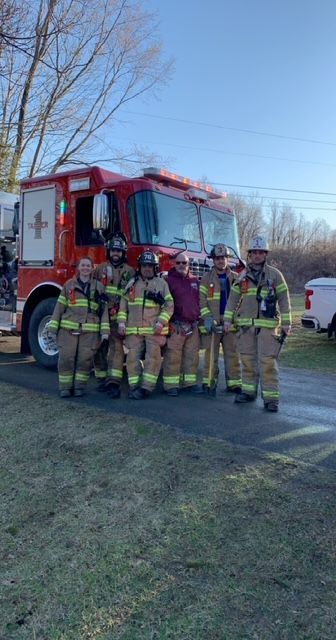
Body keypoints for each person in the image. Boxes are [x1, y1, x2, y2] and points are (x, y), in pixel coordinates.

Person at [223, 235, 291, 412]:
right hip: (246, 328)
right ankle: (248, 392)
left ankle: (270, 399)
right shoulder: (242, 276)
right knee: (247, 361)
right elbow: (232, 299)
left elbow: (284, 299)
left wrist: (286, 322)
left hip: (267, 328)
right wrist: (227, 320)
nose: (258, 255)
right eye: (254, 252)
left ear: (265, 254)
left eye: (261, 252)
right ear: (250, 254)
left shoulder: (275, 275)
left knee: (268, 363)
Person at [48, 257, 110, 398]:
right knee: (66, 358)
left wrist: (105, 332)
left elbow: (104, 311)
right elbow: (59, 307)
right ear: (79, 267)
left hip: (90, 331)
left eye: (88, 265)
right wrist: (52, 328)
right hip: (67, 330)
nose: (85, 268)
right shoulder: (69, 285)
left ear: (92, 268)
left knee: (85, 360)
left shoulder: (99, 287)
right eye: (83, 265)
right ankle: (65, 387)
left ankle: (79, 388)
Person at [117, 250, 174, 399]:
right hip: (134, 331)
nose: (147, 268)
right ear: (139, 267)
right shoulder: (132, 284)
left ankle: (146, 388)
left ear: (155, 268)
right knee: (131, 359)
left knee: (152, 359)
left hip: (153, 331)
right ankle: (134, 386)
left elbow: (169, 305)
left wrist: (161, 322)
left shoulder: (161, 284)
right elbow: (123, 305)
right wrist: (121, 323)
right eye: (144, 266)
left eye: (150, 266)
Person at [94, 234, 135, 398]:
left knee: (116, 349)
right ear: (109, 252)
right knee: (98, 348)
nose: (115, 253)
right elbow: (92, 289)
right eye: (113, 250)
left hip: (119, 316)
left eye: (119, 250)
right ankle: (101, 380)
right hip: (101, 315)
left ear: (123, 252)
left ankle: (113, 382)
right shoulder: (100, 269)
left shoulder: (130, 271)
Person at [199, 243, 242, 393]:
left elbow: (241, 301)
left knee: (233, 354)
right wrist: (208, 318)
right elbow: (202, 301)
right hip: (213, 323)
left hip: (231, 323)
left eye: (223, 258)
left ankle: (234, 384)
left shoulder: (237, 278)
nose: (220, 261)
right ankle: (209, 383)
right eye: (217, 258)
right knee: (211, 355)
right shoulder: (206, 278)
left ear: (227, 259)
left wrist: (234, 319)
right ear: (213, 260)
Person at [162, 252, 203, 396]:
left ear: (188, 264)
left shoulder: (195, 281)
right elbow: (164, 304)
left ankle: (189, 383)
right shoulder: (168, 281)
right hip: (176, 326)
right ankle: (171, 385)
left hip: (192, 325)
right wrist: (170, 322)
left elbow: (200, 302)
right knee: (173, 356)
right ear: (174, 264)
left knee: (191, 356)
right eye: (178, 263)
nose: (181, 265)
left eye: (184, 263)